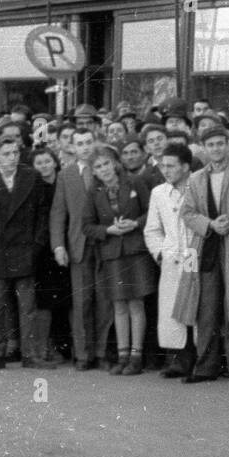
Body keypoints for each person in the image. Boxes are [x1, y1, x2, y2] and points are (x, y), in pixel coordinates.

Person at [0, 136, 55, 371]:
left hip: (25, 251)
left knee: (28, 307)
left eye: (15, 153)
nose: (12, 158)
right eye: (6, 154)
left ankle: (30, 355)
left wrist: (37, 243)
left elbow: (42, 213)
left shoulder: (31, 177)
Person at [178, 126, 229, 383]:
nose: (216, 149)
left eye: (221, 143)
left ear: (228, 145)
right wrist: (210, 224)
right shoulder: (196, 178)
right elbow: (187, 212)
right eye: (211, 145)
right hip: (206, 247)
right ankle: (206, 366)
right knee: (206, 308)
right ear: (204, 148)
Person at [84, 148, 156, 375]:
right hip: (112, 253)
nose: (103, 169)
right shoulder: (93, 192)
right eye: (98, 167)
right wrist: (109, 230)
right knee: (119, 305)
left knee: (136, 303)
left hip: (135, 250)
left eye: (106, 164)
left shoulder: (134, 182)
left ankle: (137, 356)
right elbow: (86, 226)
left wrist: (135, 224)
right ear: (93, 171)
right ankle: (122, 355)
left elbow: (151, 212)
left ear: (115, 164)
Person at [50, 127, 111, 370]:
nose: (85, 147)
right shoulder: (66, 175)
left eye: (88, 142)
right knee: (82, 301)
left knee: (105, 300)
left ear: (94, 143)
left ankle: (102, 352)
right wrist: (58, 245)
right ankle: (83, 354)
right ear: (72, 147)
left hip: (105, 242)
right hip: (78, 244)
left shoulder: (103, 170)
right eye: (80, 143)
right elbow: (58, 213)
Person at [144, 142, 198, 377]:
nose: (166, 170)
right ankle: (178, 360)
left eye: (171, 166)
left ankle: (199, 359)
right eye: (163, 166)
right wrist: (160, 252)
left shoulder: (198, 187)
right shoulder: (159, 193)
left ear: (186, 166)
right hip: (171, 258)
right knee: (172, 309)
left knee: (194, 306)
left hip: (195, 255)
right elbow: (152, 229)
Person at [31, 148, 72, 364]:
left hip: (64, 245)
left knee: (65, 298)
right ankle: (48, 345)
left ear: (55, 163)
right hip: (43, 250)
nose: (44, 166)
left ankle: (64, 345)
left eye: (48, 161)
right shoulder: (34, 187)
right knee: (46, 299)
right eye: (39, 163)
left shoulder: (63, 183)